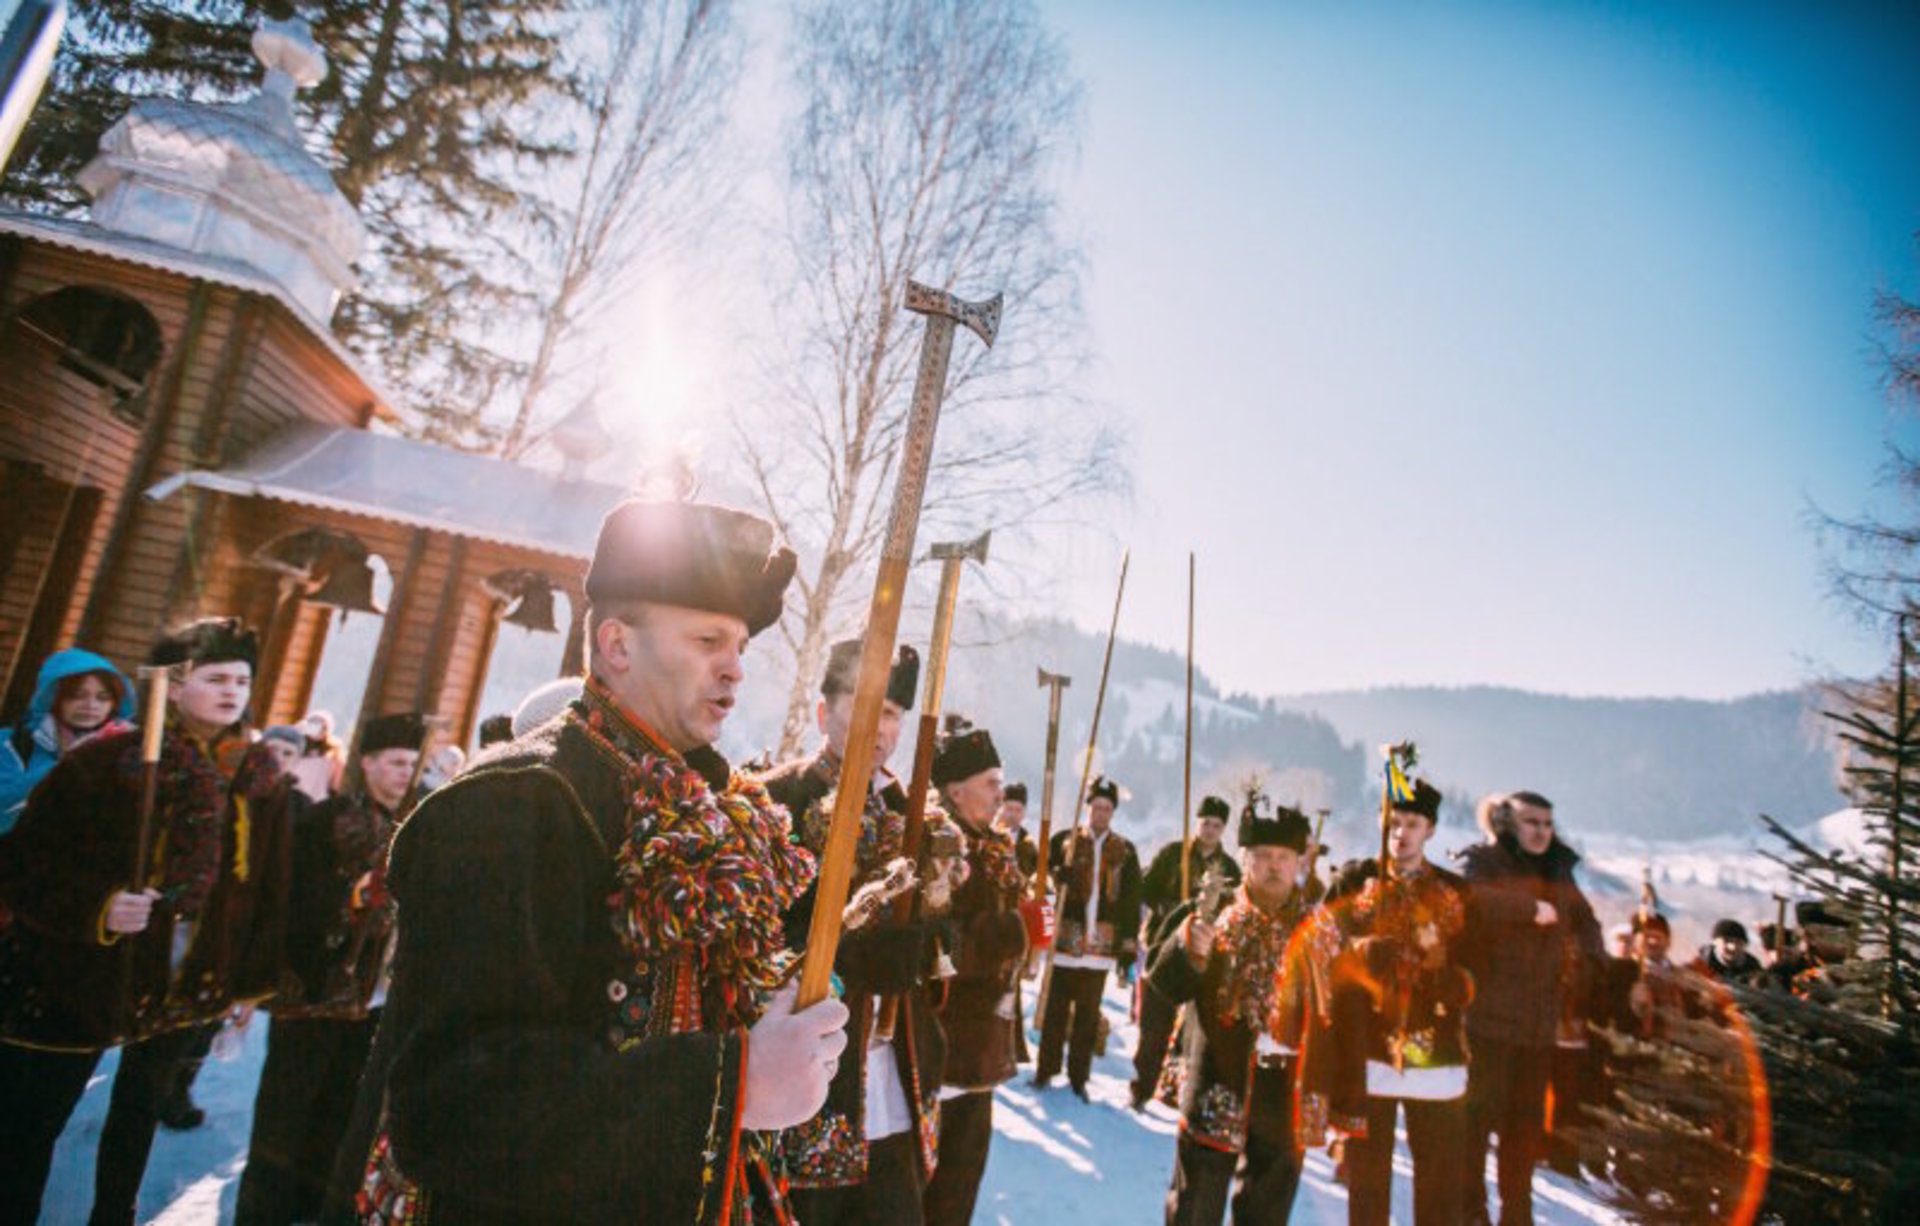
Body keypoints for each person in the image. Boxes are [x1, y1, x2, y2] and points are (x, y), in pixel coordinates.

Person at [337, 500, 847, 1225]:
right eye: (708, 639)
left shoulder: (709, 803)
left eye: (740, 645)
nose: (735, 669)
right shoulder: (517, 802)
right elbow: (451, 1106)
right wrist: (734, 1081)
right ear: (616, 645)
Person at [0, 617, 292, 1226]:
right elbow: (23, 864)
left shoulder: (259, 776)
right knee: (33, 1126)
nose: (232, 691)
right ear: (174, 685)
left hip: (188, 976)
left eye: (242, 680)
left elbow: (265, 886)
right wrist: (99, 907)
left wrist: (246, 980)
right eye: (216, 678)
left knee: (136, 1120)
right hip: (86, 973)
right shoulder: (110, 761)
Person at [760, 640, 950, 1225]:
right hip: (806, 1094)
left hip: (894, 1088)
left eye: (892, 713)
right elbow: (753, 949)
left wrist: (930, 937)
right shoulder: (775, 801)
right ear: (824, 714)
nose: (881, 727)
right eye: (864, 706)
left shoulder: (914, 813)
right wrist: (852, 958)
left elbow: (941, 954)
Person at [235, 712, 426, 1224]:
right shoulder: (325, 820)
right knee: (283, 1120)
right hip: (311, 997)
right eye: (393, 763)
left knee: (339, 1122)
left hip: (371, 1005)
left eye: (411, 764)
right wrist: (354, 896)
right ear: (366, 763)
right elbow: (294, 901)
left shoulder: (413, 829)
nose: (403, 774)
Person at [1307, 778, 1471, 1225]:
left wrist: (1447, 978)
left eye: (1412, 824)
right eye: (1393, 823)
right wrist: (1358, 951)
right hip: (1368, 1049)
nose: (1401, 833)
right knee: (1367, 1183)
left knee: (1438, 1183)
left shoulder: (1455, 893)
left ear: (1430, 830)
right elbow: (1317, 949)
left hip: (1433, 1051)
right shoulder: (1354, 880)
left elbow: (1477, 970)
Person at [1151, 800, 1314, 1226]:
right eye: (1262, 856)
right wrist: (1190, 950)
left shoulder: (1319, 928)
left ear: (1300, 861)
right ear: (1244, 860)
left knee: (1267, 1212)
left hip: (1284, 1091)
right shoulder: (1211, 911)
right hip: (1216, 1080)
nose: (1273, 866)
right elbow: (1163, 982)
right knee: (1194, 1208)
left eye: (1283, 857)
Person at [1457, 791, 1603, 1226]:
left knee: (1522, 1136)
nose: (1540, 831)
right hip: (1487, 1020)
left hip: (1538, 1027)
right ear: (1507, 823)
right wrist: (1527, 909)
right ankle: (1471, 1214)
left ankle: (1517, 1216)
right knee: (1475, 1129)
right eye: (1531, 822)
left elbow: (1587, 923)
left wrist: (1591, 964)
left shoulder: (1559, 869)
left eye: (1546, 823)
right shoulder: (1486, 860)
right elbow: (1470, 901)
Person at [923, 724, 1030, 1226]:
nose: (999, 792)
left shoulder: (991, 847)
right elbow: (939, 948)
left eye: (1000, 780)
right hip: (944, 1053)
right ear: (955, 788)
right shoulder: (941, 848)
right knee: (936, 1195)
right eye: (989, 781)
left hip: (980, 1052)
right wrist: (1012, 931)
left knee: (962, 1188)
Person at [1036, 774, 1142, 1099]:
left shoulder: (1124, 850)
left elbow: (1130, 900)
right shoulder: (1065, 842)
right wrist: (1059, 878)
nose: (1101, 814)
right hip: (1066, 942)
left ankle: (1078, 1077)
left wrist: (1127, 945)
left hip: (1100, 946)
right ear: (1088, 808)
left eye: (1107, 809)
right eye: (1096, 807)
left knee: (1087, 1015)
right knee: (1055, 1010)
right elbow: (1043, 884)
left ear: (1113, 812)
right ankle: (1046, 1070)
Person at [1133, 794, 1242, 1110]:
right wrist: (1173, 911)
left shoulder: (1229, 869)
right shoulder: (1173, 854)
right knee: (1155, 1024)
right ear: (1197, 822)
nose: (1209, 830)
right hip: (1166, 949)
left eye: (1216, 825)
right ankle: (1142, 1087)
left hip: (1205, 957)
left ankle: (1180, 1092)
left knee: (1194, 1030)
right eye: (1205, 823)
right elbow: (1147, 889)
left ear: (1223, 830)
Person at [0, 648, 134, 830]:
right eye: (77, 695)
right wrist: (76, 760)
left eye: (103, 698)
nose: (91, 706)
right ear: (53, 698)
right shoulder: (13, 743)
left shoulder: (125, 750)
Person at [995, 781, 1039, 877]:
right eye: (1009, 809)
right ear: (1000, 809)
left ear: (1024, 812)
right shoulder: (987, 837)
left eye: (1018, 810)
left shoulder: (1029, 847)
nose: (1013, 815)